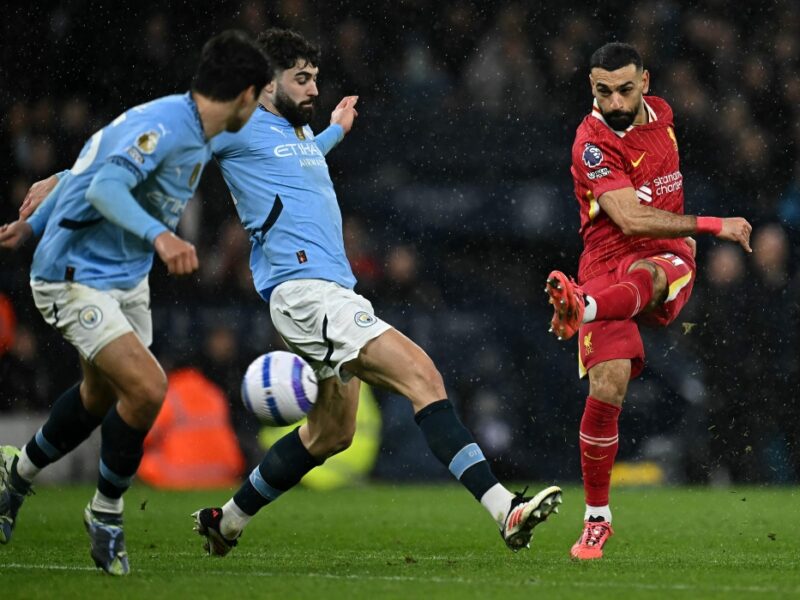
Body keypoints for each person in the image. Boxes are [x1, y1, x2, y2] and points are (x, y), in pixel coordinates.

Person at [196, 28, 561, 556]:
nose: (313, 89)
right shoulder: (238, 126)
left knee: (330, 435)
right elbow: (160, 148)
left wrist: (333, 134)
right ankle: (505, 508)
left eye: (316, 78)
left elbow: (295, 164)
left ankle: (225, 520)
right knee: (423, 377)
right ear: (265, 81)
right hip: (307, 295)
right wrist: (71, 179)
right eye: (301, 78)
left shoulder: (294, 134)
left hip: (326, 295)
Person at [0, 30, 270, 576]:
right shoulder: (166, 127)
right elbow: (103, 188)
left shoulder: (191, 124)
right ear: (244, 95)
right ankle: (106, 512)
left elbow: (92, 158)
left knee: (100, 394)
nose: (261, 105)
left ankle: (15, 476)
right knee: (147, 388)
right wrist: (161, 237)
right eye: (260, 95)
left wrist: (39, 208)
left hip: (125, 279)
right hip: (73, 275)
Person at [544, 42, 752, 560]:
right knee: (608, 385)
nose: (614, 102)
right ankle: (597, 519)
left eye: (625, 89)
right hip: (602, 262)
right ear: (591, 88)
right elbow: (631, 218)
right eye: (602, 91)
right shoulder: (590, 143)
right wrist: (714, 224)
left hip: (665, 255)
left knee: (649, 273)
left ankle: (584, 308)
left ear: (647, 83)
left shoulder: (664, 115)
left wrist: (694, 233)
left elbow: (650, 221)